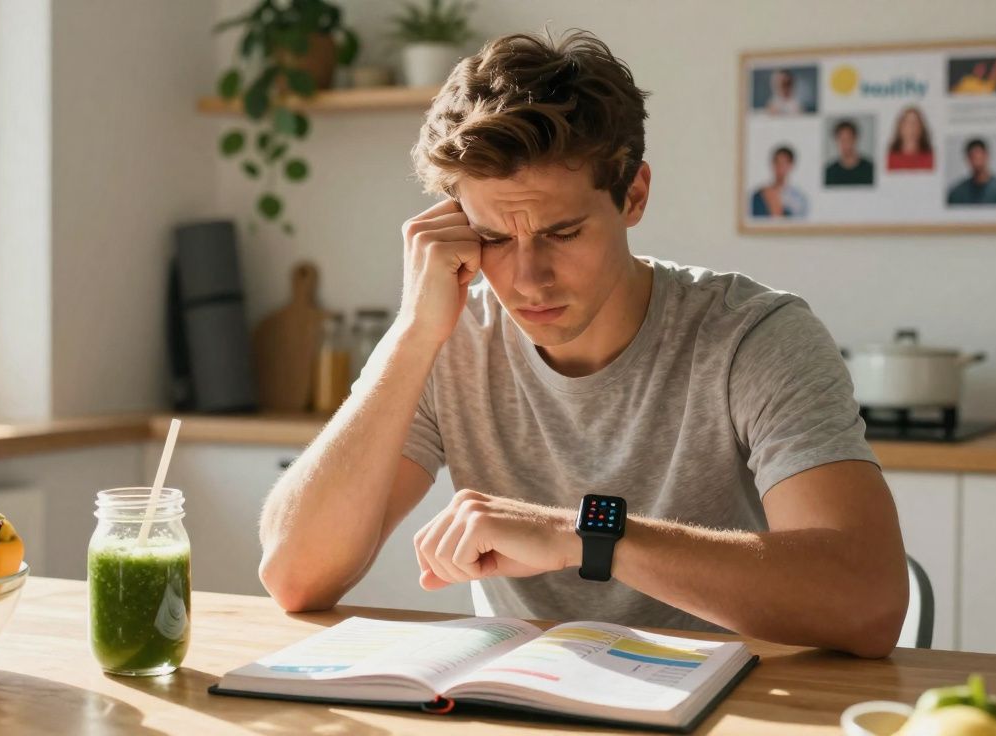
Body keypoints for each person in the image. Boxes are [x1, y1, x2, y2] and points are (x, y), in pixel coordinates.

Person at [258, 30, 908, 659]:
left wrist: (583, 537)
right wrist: (413, 332)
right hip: (524, 699)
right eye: (495, 238)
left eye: (562, 233)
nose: (528, 278)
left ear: (635, 195)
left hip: (732, 706)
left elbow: (869, 602)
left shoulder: (754, 337)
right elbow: (294, 576)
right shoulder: (447, 339)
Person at [751, 145, 808, 217]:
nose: (780, 168)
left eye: (784, 164)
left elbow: (798, 225)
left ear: (791, 166)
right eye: (777, 163)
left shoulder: (799, 199)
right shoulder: (759, 195)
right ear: (772, 164)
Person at [947, 138, 996, 205]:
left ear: (987, 156)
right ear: (968, 159)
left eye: (979, 157)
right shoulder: (957, 194)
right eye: (973, 157)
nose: (977, 162)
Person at [824, 119, 874, 186]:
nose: (845, 144)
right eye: (842, 140)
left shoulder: (870, 169)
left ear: (855, 139)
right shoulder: (829, 172)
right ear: (836, 141)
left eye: (848, 139)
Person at [886, 106, 934, 171]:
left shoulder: (931, 158)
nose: (911, 128)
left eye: (915, 123)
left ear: (921, 128)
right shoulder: (889, 158)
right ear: (900, 127)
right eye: (907, 123)